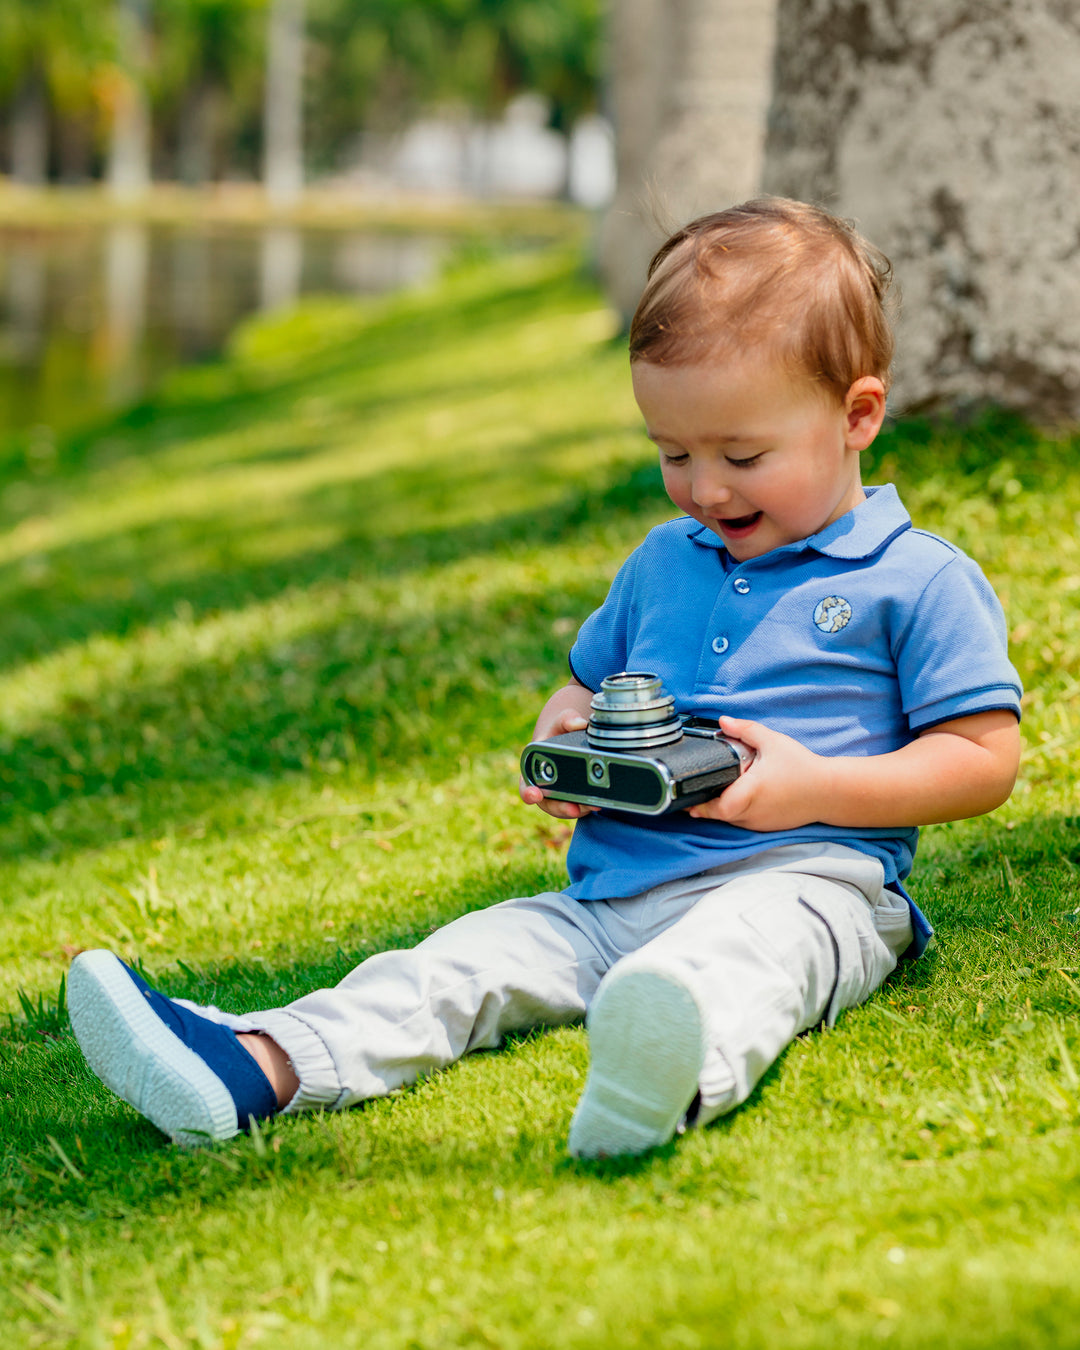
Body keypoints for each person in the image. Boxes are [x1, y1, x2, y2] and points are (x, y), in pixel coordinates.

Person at [66, 198, 1022, 1158]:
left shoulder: (917, 578)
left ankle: (666, 1073)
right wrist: (568, 734)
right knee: (461, 961)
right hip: (613, 898)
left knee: (743, 959)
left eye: (742, 455)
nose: (707, 488)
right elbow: (584, 690)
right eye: (673, 454)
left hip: (816, 885)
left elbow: (983, 761)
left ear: (857, 415)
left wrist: (816, 788)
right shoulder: (663, 561)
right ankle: (260, 1064)